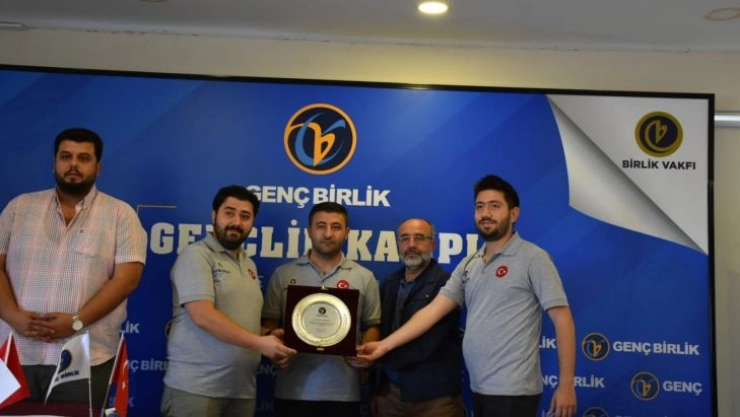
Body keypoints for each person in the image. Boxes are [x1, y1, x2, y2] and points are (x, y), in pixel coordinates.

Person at [359, 174, 577, 417]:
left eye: (495, 206)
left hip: (515, 390)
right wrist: (383, 345)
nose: (485, 213)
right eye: (480, 206)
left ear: (513, 214)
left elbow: (562, 319)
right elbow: (431, 312)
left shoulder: (534, 258)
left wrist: (566, 384)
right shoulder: (470, 263)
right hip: (479, 386)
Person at [0, 127, 147, 407]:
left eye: (83, 158)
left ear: (98, 167)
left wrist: (76, 321)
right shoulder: (19, 207)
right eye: (66, 157)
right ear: (55, 162)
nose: (73, 165)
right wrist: (12, 316)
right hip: (16, 351)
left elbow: (127, 280)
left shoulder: (121, 215)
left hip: (85, 355)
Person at [161, 185, 297, 417]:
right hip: (197, 389)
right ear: (214, 215)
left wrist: (268, 337)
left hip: (241, 390)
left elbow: (239, 321)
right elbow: (202, 316)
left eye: (245, 216)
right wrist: (260, 343)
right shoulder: (196, 255)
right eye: (229, 213)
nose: (236, 222)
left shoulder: (249, 264)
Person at [262, 202, 381, 417]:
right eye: (321, 226)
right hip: (291, 390)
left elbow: (373, 325)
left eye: (336, 227)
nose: (328, 234)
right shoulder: (283, 274)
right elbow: (269, 324)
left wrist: (363, 353)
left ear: (347, 232)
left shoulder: (364, 277)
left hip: (343, 393)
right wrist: (275, 346)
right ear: (309, 231)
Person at [373, 218, 465, 417]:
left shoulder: (448, 285)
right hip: (390, 394)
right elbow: (382, 332)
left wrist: (378, 354)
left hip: (434, 398)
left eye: (420, 238)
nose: (411, 245)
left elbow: (428, 343)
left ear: (433, 244)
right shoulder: (389, 283)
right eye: (405, 239)